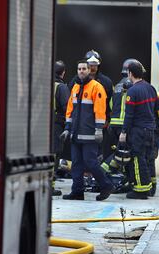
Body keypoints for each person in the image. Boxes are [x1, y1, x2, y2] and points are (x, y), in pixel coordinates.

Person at [61, 60, 113, 201]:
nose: (81, 71)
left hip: (90, 134)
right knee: (76, 163)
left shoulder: (97, 87)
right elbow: (70, 110)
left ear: (89, 70)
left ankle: (106, 185)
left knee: (91, 163)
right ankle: (77, 191)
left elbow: (100, 111)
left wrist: (98, 130)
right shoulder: (75, 88)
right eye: (79, 69)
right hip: (75, 134)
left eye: (84, 68)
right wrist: (67, 128)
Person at [119, 60, 159, 200]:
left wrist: (124, 132)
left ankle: (140, 190)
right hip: (150, 130)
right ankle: (150, 188)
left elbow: (129, 115)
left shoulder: (132, 91)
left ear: (130, 73)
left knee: (137, 158)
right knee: (148, 158)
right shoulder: (151, 88)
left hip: (138, 131)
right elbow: (157, 109)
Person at [69, 50, 114, 160]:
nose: (93, 68)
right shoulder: (76, 81)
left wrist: (108, 119)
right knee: (82, 150)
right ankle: (85, 171)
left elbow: (111, 103)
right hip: (81, 122)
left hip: (100, 122)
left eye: (95, 65)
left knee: (99, 148)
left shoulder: (106, 82)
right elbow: (70, 101)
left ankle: (97, 169)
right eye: (91, 65)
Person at [52, 60, 71, 196]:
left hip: (42, 124)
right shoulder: (62, 87)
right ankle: (51, 186)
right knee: (55, 154)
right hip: (57, 125)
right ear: (63, 73)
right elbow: (67, 108)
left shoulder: (44, 84)